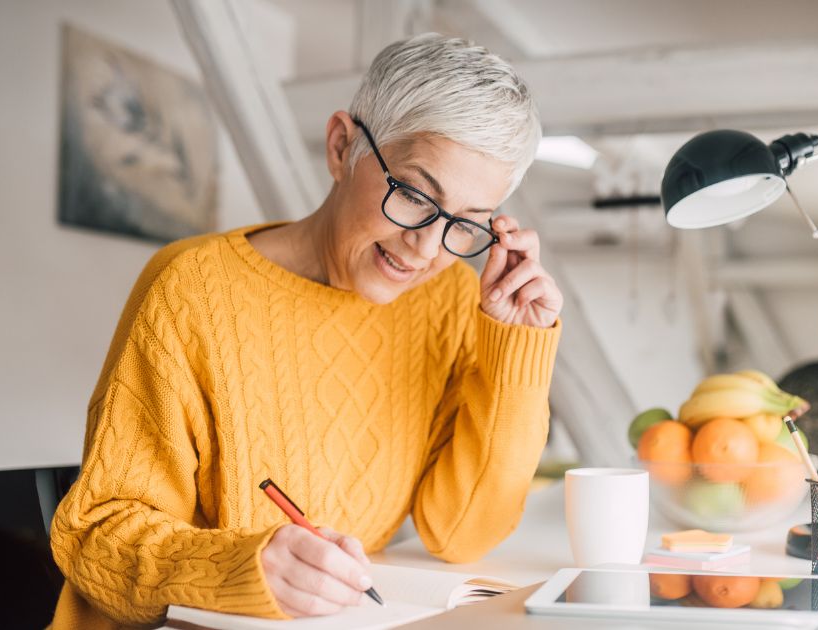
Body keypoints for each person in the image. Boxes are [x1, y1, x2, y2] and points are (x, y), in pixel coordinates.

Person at [48, 33, 562, 628]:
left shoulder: (446, 299)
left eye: (465, 225)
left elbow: (461, 534)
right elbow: (97, 536)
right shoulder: (192, 289)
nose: (424, 246)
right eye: (415, 195)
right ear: (342, 147)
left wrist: (517, 347)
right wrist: (238, 568)